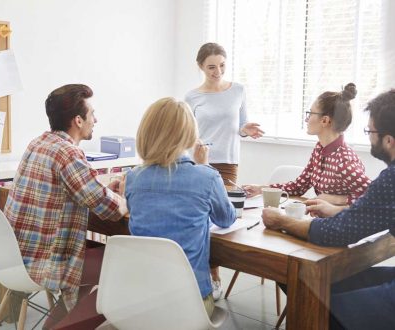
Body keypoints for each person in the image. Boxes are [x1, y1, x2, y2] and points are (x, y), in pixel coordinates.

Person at [262, 89, 395, 330]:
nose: (368, 137)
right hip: (339, 224)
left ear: (389, 141)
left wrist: (282, 221)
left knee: (310, 296)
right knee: (315, 282)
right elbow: (369, 214)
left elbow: (340, 230)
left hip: (337, 236)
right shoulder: (318, 150)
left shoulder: (382, 176)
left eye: (370, 132)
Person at [4, 84, 127, 311]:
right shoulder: (68, 153)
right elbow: (109, 209)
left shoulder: (39, 142)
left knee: (97, 254)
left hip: (14, 257)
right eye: (92, 115)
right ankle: (73, 321)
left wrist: (102, 188)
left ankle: (62, 320)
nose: (96, 120)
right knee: (121, 263)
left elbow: (74, 186)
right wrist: (123, 198)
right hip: (43, 262)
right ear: (78, 121)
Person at [124, 97, 236, 316]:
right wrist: (204, 166)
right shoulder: (207, 177)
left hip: (139, 299)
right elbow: (226, 219)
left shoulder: (133, 178)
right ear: (189, 135)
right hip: (189, 303)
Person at [185, 42, 264, 298]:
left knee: (222, 219)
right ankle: (210, 275)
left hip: (228, 163)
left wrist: (245, 130)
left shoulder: (238, 90)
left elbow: (240, 126)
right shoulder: (192, 97)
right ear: (200, 67)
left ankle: (214, 274)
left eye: (221, 65)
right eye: (211, 67)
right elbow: (188, 134)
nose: (217, 71)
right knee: (202, 221)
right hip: (199, 161)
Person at [244, 83, 370, 206]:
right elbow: (299, 186)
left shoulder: (345, 162)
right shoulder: (319, 149)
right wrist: (261, 189)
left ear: (325, 120)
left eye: (310, 114)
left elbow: (374, 198)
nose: (306, 119)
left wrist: (335, 199)